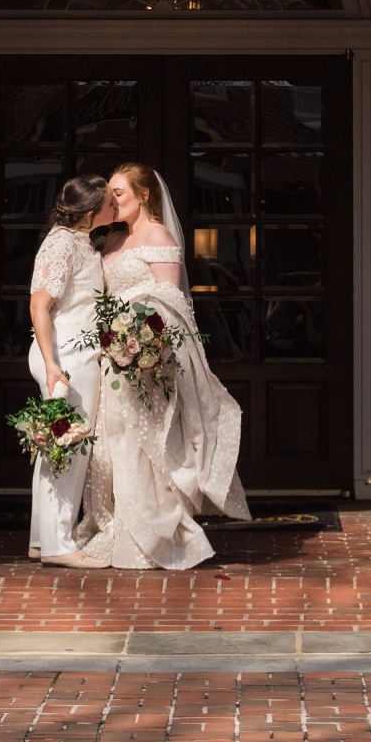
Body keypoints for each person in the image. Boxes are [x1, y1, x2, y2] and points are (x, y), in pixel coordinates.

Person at [74, 161, 250, 570]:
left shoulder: (159, 236)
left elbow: (170, 303)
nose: (110, 201)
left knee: (144, 444)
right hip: (109, 356)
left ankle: (153, 533)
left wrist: (138, 339)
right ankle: (114, 523)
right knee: (111, 442)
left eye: (118, 193)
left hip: (142, 357)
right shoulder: (111, 239)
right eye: (109, 195)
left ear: (145, 194)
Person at [26, 172, 111, 567]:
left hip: (75, 355)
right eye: (110, 202)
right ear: (91, 212)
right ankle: (60, 547)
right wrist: (51, 364)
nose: (115, 207)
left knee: (55, 449)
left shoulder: (81, 242)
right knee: (69, 449)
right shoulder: (62, 244)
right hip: (66, 357)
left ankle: (42, 541)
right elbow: (39, 304)